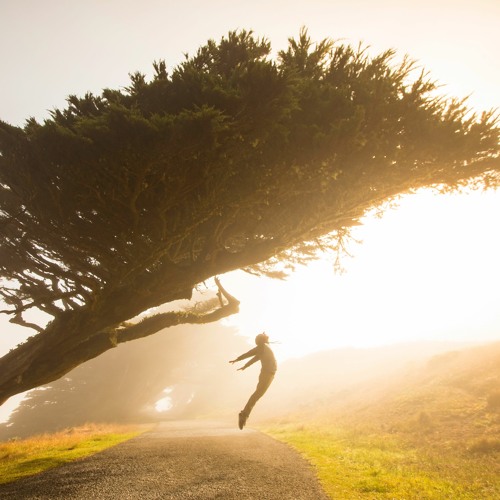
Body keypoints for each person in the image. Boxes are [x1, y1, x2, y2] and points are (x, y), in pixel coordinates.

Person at [229, 332, 277, 430]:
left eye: (256, 339)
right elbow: (250, 354)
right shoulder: (263, 347)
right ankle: (244, 415)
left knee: (257, 395)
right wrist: (238, 360)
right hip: (267, 374)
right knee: (257, 394)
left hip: (269, 374)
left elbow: (253, 357)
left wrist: (244, 366)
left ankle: (244, 414)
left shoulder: (262, 347)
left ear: (260, 340)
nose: (255, 341)